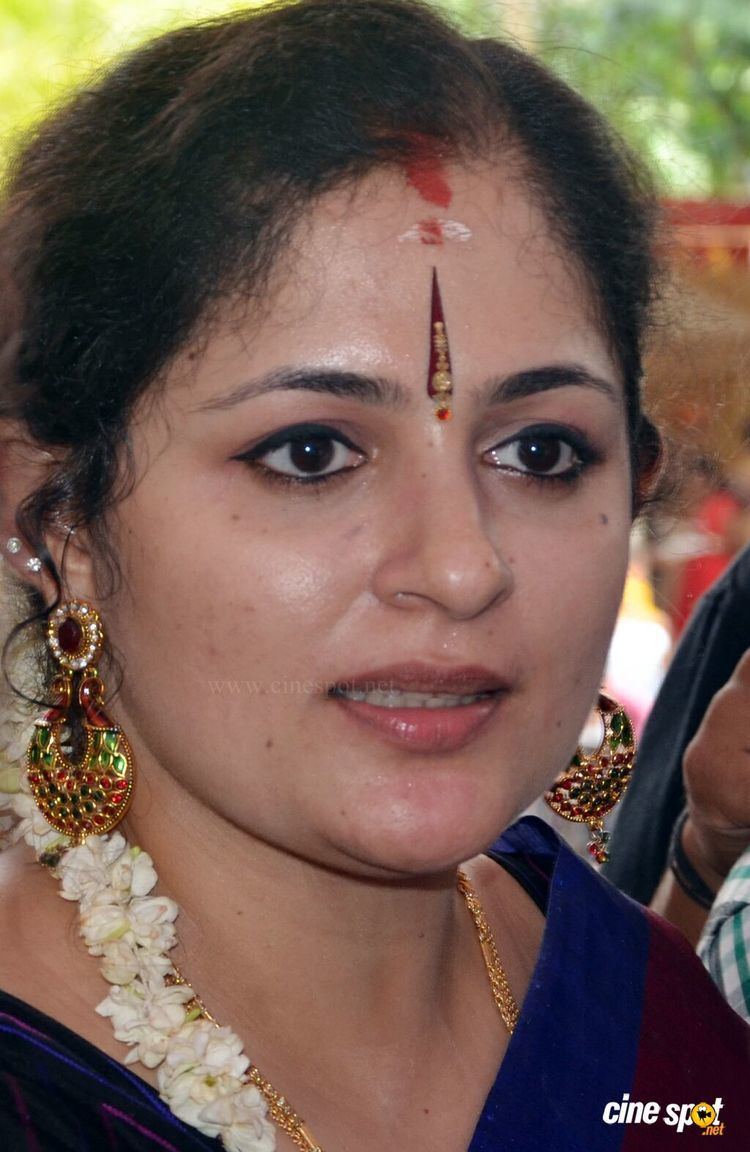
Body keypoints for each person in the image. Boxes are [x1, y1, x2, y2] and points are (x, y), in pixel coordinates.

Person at [0, 2, 746, 1150]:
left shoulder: (662, 1048)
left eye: (541, 452)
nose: (460, 568)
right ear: (57, 518)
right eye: (312, 453)